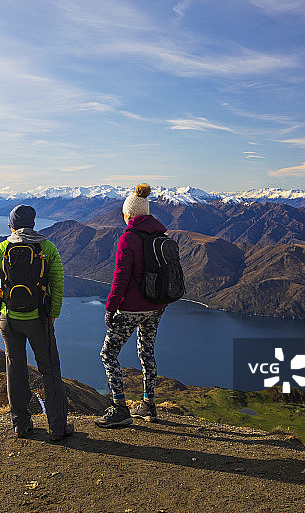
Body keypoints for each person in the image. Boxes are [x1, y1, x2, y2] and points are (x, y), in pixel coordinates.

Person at [0, 204, 73, 441]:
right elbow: (57, 283)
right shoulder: (47, 247)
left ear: (11, 225)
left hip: (9, 319)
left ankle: (21, 425)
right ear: (33, 224)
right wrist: (53, 314)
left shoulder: (2, 248)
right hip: (39, 319)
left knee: (15, 369)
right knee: (50, 371)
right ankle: (57, 427)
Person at [95, 183, 169, 428]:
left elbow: (120, 277)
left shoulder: (128, 238)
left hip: (131, 309)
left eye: (123, 213)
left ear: (129, 214)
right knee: (146, 352)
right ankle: (149, 405)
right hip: (156, 306)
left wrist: (110, 307)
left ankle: (120, 407)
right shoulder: (160, 235)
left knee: (108, 354)